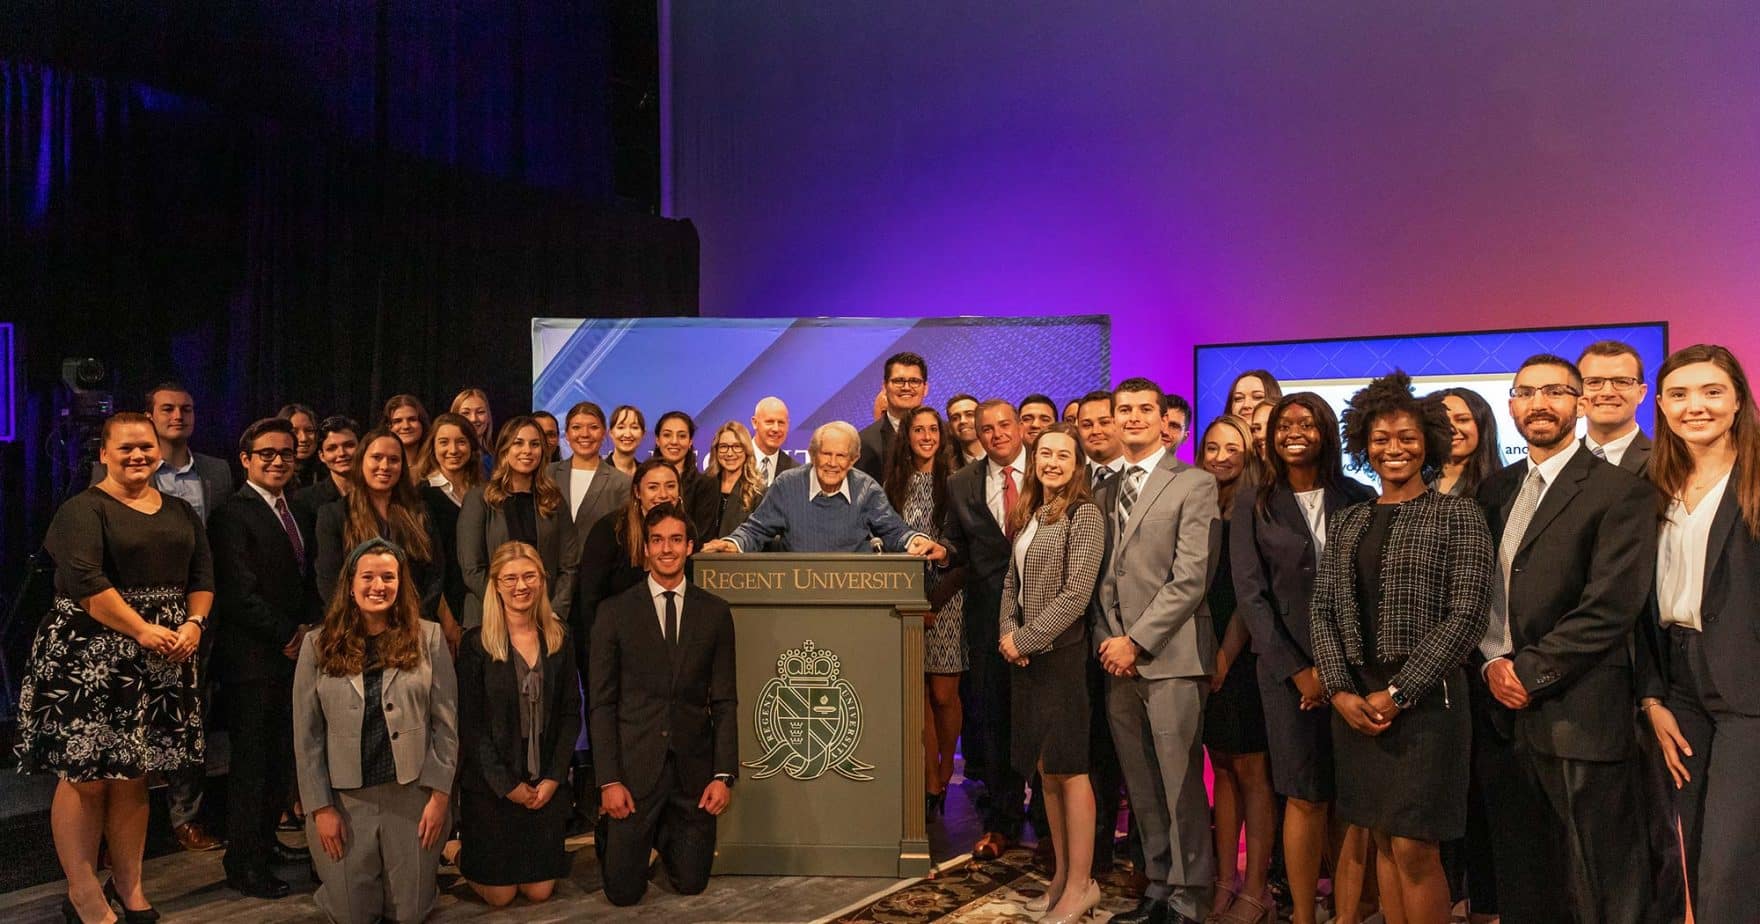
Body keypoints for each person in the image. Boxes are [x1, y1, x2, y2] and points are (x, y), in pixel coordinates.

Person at [1474, 355, 1657, 924]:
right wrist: (1490, 666)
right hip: (1500, 715)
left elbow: (1610, 607)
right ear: (1511, 405)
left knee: (1599, 881)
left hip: (1579, 711)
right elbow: (1480, 590)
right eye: (1526, 393)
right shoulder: (1495, 489)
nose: (1539, 404)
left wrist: (1526, 672)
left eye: (1555, 392)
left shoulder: (1617, 490)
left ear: (1579, 404)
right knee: (1526, 880)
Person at [1310, 372, 1493, 924]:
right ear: (1364, 443)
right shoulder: (1348, 521)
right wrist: (1340, 691)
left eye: (1408, 438)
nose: (1395, 449)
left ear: (1429, 443)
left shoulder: (1459, 515)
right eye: (1382, 438)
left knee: (1416, 847)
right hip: (1355, 705)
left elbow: (1468, 616)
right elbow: (1322, 610)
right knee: (1383, 840)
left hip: (1426, 706)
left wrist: (1398, 691)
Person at [17, 412, 212, 924]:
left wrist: (194, 623)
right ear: (104, 453)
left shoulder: (179, 510)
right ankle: (83, 895)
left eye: (145, 446)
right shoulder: (82, 509)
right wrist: (142, 630)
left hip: (162, 658)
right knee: (85, 777)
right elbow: (85, 581)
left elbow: (204, 574)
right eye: (125, 448)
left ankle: (130, 888)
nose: (138, 455)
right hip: (90, 658)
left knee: (134, 776)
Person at [1233, 392, 1377, 924]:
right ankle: (1302, 914)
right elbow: (1251, 595)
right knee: (1304, 793)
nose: (1294, 431)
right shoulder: (1254, 501)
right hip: (1283, 672)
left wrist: (1339, 673)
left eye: (1307, 422)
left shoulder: (1359, 496)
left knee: (1350, 798)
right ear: (1270, 437)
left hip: (1356, 670)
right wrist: (1298, 671)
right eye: (1283, 424)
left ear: (1326, 432)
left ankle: (1350, 911)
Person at [1638, 344, 1760, 923]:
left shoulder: (1756, 480)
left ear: (1738, 400)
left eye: (1712, 391)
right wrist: (1653, 697)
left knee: (1729, 864)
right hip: (1679, 687)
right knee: (1691, 850)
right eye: (1680, 394)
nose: (1696, 406)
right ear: (1660, 405)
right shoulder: (1652, 484)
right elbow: (1639, 606)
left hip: (1749, 690)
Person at [1092, 377, 1220, 924]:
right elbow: (1097, 578)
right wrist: (1108, 642)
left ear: (1164, 419)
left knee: (1179, 785)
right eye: (1125, 410)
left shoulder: (1194, 484)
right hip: (1115, 661)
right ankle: (1159, 886)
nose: (1134, 418)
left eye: (1146, 409)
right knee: (1141, 785)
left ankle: (1192, 899)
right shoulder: (1101, 490)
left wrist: (1136, 641)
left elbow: (1191, 579)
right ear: (1115, 419)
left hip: (1169, 657)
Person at [85, 382, 231, 853]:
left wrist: (196, 619)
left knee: (189, 721)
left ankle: (185, 817)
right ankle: (118, 834)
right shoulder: (103, 482)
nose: (177, 416)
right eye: (167, 409)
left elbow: (215, 552)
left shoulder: (216, 471)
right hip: (126, 622)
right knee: (125, 728)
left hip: (194, 614)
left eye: (186, 408)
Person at [293, 538, 458, 924]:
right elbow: (307, 737)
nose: (377, 586)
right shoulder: (317, 645)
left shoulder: (429, 638)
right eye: (368, 577)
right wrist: (320, 808)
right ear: (350, 585)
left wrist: (439, 797)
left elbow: (446, 726)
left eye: (388, 576)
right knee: (353, 915)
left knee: (410, 914)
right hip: (346, 802)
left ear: (401, 584)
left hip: (413, 795)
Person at [590, 503, 738, 906]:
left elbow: (725, 701)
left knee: (692, 884)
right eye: (657, 541)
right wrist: (609, 780)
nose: (666, 549)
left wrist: (722, 776)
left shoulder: (715, 613)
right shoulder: (615, 612)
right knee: (622, 893)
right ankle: (623, 836)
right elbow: (601, 704)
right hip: (635, 770)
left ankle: (666, 833)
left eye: (675, 540)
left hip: (692, 771)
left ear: (690, 546)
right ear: (645, 550)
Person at [210, 418, 322, 899]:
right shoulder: (231, 514)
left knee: (280, 759)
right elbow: (237, 593)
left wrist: (307, 633)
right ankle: (244, 864)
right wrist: (288, 635)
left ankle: (266, 843)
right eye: (267, 454)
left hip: (292, 655)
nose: (278, 461)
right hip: (253, 660)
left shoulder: (294, 508)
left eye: (286, 454)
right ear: (246, 459)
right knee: (252, 764)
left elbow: (305, 579)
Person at [1000, 423, 1107, 924]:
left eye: (1064, 455)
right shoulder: (1029, 513)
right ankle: (1063, 878)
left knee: (1070, 769)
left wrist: (1024, 639)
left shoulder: (1085, 514)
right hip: (1027, 660)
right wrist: (1008, 632)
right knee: (1045, 773)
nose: (1052, 462)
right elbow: (1010, 583)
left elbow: (1077, 595)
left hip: (1062, 658)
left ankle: (1084, 884)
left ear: (1077, 463)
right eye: (1045, 453)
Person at [455, 541, 580, 906]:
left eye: (529, 576)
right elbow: (472, 726)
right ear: (495, 585)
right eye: (510, 578)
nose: (520, 586)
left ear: (542, 581)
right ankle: (455, 851)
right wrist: (507, 786)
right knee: (501, 897)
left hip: (544, 782)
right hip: (493, 788)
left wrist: (554, 778)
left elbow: (572, 712)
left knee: (539, 892)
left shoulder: (561, 638)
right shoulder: (475, 644)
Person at [568, 459, 683, 825]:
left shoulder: (682, 531)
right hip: (611, 659)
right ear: (637, 491)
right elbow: (588, 602)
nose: (662, 494)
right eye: (653, 486)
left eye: (669, 486)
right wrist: (594, 662)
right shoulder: (610, 531)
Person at [1196, 415, 1276, 924]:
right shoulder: (1199, 503)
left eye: (1233, 447)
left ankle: (1257, 889)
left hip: (1244, 657)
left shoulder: (1258, 506)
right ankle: (1224, 880)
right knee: (1221, 767)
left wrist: (1225, 655)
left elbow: (1252, 594)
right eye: (1212, 446)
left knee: (1251, 772)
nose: (1222, 455)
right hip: (1203, 653)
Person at [942, 399, 1030, 859]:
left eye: (1004, 425)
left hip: (1048, 616)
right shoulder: (961, 483)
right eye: (986, 429)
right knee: (994, 723)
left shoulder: (1051, 467)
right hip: (987, 620)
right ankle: (1002, 824)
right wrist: (940, 552)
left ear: (1019, 427)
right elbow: (958, 545)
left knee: (1045, 725)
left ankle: (1055, 832)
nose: (997, 435)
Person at [882, 407, 968, 816]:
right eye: (918, 430)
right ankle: (929, 782)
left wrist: (933, 603)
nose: (927, 436)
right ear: (907, 436)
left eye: (933, 429)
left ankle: (945, 769)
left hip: (948, 598)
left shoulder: (958, 481)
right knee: (916, 694)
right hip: (906, 599)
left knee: (943, 694)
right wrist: (913, 603)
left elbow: (964, 552)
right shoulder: (891, 484)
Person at [702, 421, 947, 559]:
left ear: (853, 460)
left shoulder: (866, 488)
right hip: (796, 591)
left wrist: (916, 539)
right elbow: (756, 529)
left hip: (854, 592)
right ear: (812, 455)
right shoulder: (787, 485)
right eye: (826, 454)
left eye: (841, 456)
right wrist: (733, 543)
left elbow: (894, 530)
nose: (832, 463)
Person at [313, 429, 445, 623]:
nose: (385, 466)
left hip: (414, 625)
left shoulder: (419, 512)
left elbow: (435, 573)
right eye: (376, 457)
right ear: (361, 461)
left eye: (393, 460)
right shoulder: (333, 515)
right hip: (356, 628)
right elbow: (329, 581)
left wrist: (416, 618)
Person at [458, 416, 576, 632]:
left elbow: (569, 566)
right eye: (518, 443)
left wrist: (556, 610)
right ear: (504, 449)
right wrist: (510, 607)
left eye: (535, 444)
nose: (527, 451)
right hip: (489, 619)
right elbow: (472, 568)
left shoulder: (554, 500)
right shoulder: (479, 499)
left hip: (544, 618)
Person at [412, 413, 481, 649]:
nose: (453, 449)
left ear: (472, 446)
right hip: (441, 613)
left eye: (461, 441)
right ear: (432, 447)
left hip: (479, 607)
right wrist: (447, 620)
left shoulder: (484, 492)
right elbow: (427, 564)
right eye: (444, 442)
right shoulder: (422, 495)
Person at [552, 401, 633, 554]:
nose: (585, 434)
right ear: (567, 434)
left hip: (600, 572)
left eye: (593, 427)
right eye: (576, 427)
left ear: (604, 433)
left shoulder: (622, 483)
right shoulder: (548, 475)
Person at [1577, 340, 1654, 473]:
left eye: (1622, 382)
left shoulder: (1669, 462)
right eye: (1594, 382)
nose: (1607, 392)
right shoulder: (1558, 461)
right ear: (1577, 392)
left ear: (1641, 393)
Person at [652, 410, 721, 542]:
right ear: (657, 440)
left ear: (690, 442)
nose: (674, 441)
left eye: (682, 436)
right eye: (667, 435)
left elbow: (702, 536)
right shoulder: (643, 481)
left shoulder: (706, 485)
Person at [859, 351, 929, 478]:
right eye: (898, 381)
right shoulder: (864, 442)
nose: (906, 387)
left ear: (925, 388)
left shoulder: (947, 436)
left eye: (914, 381)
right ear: (885, 387)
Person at [1432, 388, 1503, 497]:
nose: (1451, 429)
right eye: (1442, 421)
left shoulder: (1505, 486)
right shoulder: (1415, 480)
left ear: (1482, 425)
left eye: (1462, 420)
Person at [704, 421, 766, 539]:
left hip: (738, 556)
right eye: (724, 447)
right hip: (702, 555)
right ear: (716, 450)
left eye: (737, 447)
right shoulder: (704, 485)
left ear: (746, 450)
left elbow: (758, 536)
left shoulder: (759, 493)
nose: (730, 453)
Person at [298, 416, 360, 513]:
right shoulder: (305, 500)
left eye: (349, 445)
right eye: (332, 448)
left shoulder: (379, 492)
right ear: (322, 456)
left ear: (361, 448)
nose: (342, 453)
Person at [750, 396, 796, 486]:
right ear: (755, 423)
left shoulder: (794, 471)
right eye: (769, 422)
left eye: (781, 423)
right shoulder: (734, 461)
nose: (776, 428)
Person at [279, 402, 324, 489]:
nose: (303, 439)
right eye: (294, 432)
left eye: (309, 430)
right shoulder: (272, 476)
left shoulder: (327, 473)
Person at [382, 394, 430, 459]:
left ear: (422, 423)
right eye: (398, 421)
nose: (406, 426)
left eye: (412, 419)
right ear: (388, 426)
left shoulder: (437, 465)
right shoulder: (382, 465)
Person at [451, 387, 495, 455]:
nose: (473, 419)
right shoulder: (451, 457)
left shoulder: (497, 459)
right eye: (466, 413)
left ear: (488, 417)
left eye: (480, 412)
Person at [606, 405, 645, 476]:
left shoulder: (646, 473)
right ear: (611, 433)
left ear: (643, 433)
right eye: (621, 427)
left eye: (634, 427)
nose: (627, 435)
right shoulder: (598, 472)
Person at [946, 393, 984, 466]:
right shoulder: (946, 470)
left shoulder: (1003, 456)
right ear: (950, 427)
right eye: (955, 418)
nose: (962, 421)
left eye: (969, 414)